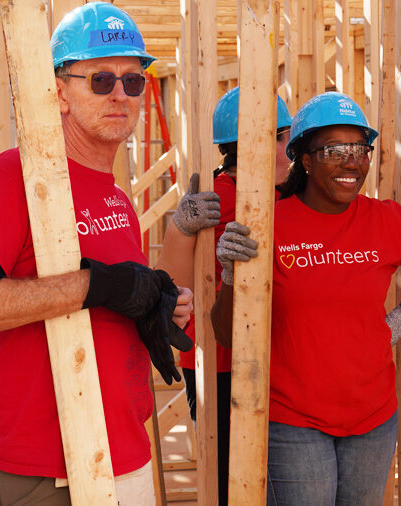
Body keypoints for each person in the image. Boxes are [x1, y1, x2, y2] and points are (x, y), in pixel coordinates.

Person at [0, 3, 194, 504]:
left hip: (127, 459)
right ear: (59, 92)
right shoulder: (15, 178)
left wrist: (152, 305)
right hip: (45, 477)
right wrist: (99, 286)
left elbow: (110, 302)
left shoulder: (116, 195)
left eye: (133, 80)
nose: (121, 94)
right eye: (101, 80)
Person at [210, 91, 401, 505]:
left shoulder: (386, 221)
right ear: (304, 160)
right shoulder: (268, 225)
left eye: (360, 149)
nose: (351, 162)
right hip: (293, 422)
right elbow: (225, 334)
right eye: (334, 150)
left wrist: (398, 322)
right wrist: (231, 275)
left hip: (374, 419)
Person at [154, 86, 294, 506]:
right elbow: (169, 286)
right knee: (234, 481)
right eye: (285, 138)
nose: (290, 151)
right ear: (261, 141)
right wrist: (181, 229)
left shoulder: (274, 196)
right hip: (220, 363)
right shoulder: (225, 200)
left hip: (253, 361)